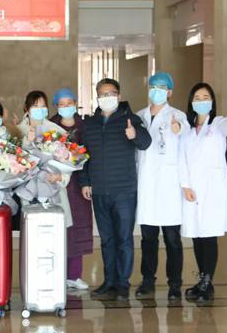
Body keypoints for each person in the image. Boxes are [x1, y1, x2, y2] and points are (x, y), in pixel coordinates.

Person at [79, 78, 151, 301]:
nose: (106, 97)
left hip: (124, 190)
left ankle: (122, 284)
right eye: (102, 94)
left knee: (124, 239)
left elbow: (145, 143)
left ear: (118, 96)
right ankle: (109, 281)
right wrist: (85, 182)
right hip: (99, 190)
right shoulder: (90, 124)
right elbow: (83, 156)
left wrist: (135, 134)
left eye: (111, 93)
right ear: (97, 97)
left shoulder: (131, 119)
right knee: (107, 240)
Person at [179, 83, 227, 301]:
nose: (202, 101)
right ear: (191, 102)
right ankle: (203, 280)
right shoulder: (187, 130)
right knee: (196, 235)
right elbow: (181, 158)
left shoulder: (218, 124)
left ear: (212, 101)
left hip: (213, 189)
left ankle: (207, 282)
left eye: (206, 97)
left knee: (209, 236)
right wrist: (185, 185)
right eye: (197, 97)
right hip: (192, 190)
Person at [135, 71, 190, 301]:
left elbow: (184, 136)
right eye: (153, 87)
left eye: (162, 88)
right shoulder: (139, 116)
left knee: (172, 239)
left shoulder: (177, 115)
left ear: (169, 92)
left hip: (169, 186)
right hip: (146, 185)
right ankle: (147, 280)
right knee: (148, 238)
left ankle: (175, 283)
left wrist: (179, 128)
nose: (157, 91)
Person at [50, 88, 93, 291]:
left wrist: (87, 181)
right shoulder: (51, 127)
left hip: (79, 184)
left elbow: (90, 155)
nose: (66, 107)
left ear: (76, 103)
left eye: (70, 103)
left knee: (78, 226)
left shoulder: (85, 126)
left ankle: (74, 275)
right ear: (56, 106)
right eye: (62, 104)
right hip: (56, 183)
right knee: (58, 227)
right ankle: (56, 274)